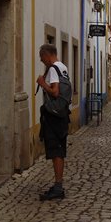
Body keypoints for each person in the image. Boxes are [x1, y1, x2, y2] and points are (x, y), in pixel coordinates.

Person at [37, 44, 70, 201]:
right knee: (59, 149)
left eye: (41, 56)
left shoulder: (52, 69)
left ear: (47, 54)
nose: (40, 59)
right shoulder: (62, 67)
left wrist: (43, 84)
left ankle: (58, 187)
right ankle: (58, 185)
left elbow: (55, 92)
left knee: (56, 151)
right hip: (62, 115)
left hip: (54, 116)